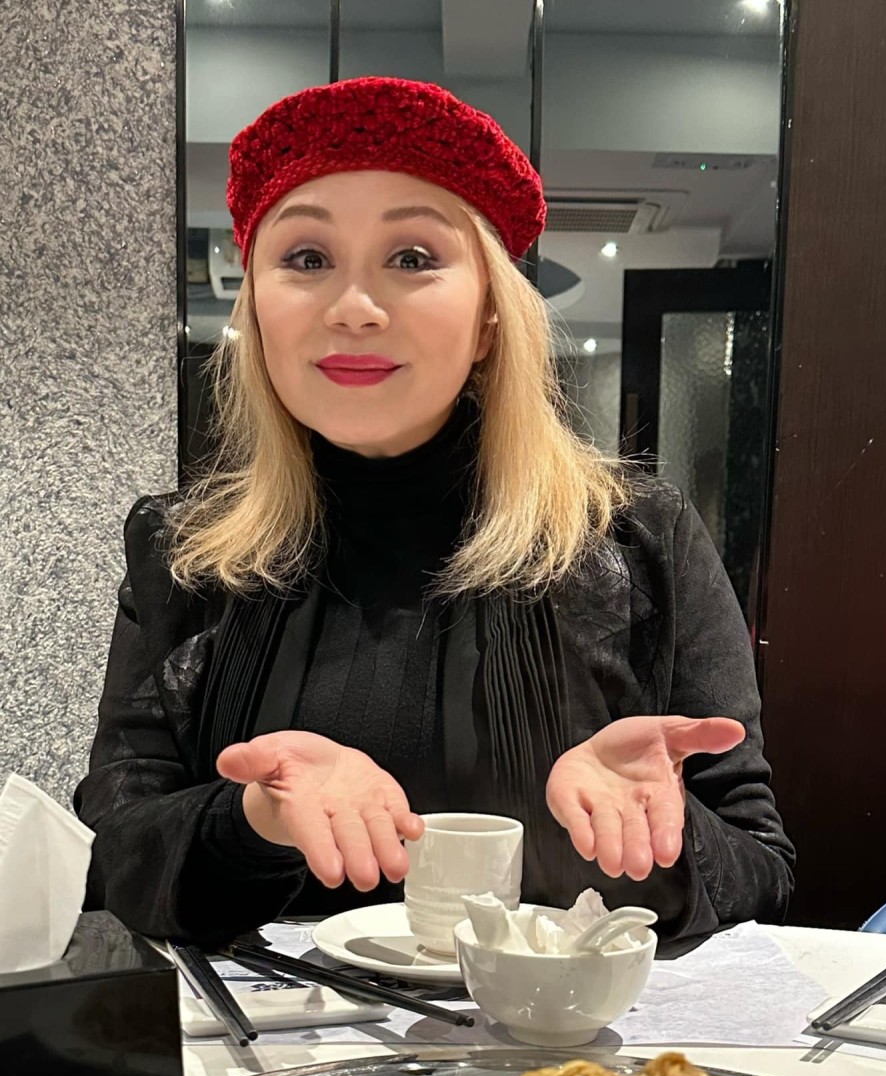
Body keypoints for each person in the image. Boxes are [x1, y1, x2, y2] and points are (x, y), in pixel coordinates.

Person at [74, 77, 794, 951]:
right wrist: (253, 817)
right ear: (256, 307)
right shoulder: (183, 551)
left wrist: (656, 828)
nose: (353, 307)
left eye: (413, 258)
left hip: (557, 1028)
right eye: (306, 258)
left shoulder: (639, 537)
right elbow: (114, 857)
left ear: (490, 315)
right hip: (277, 1031)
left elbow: (762, 871)